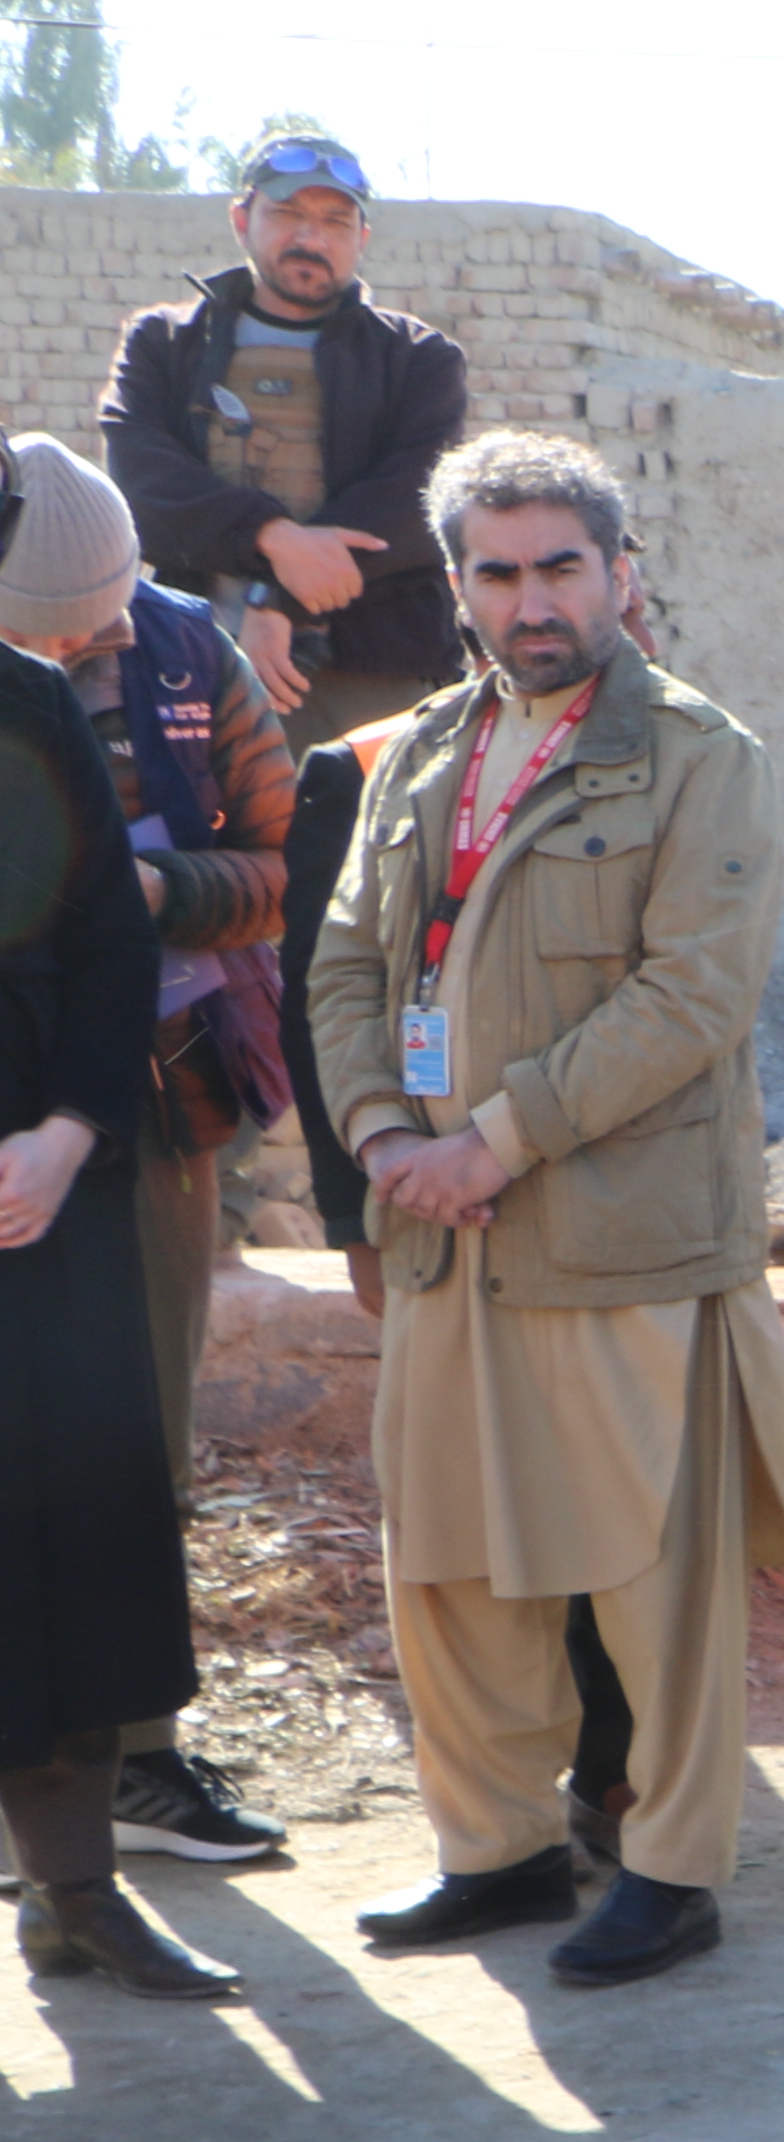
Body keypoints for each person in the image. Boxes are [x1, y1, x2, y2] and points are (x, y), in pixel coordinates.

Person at [308, 432, 784, 1993]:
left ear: (622, 573)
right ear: (459, 586)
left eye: (559, 567)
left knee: (648, 1577)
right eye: (497, 571)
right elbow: (346, 964)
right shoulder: (419, 754)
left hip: (615, 1232)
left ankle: (671, 1870)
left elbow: (694, 996)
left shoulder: (699, 753)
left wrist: (497, 1136)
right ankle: (499, 1849)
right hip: (442, 1228)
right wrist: (384, 1130)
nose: (530, 600)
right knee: (446, 1565)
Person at [0, 433, 299, 1869]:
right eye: (79, 611)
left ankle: (130, 1762)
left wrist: (156, 888)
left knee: (133, 1444)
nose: (115, 629)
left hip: (155, 1115)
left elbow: (286, 867)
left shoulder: (192, 659)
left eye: (125, 596)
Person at [0, 600, 238, 2001]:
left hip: (43, 1199)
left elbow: (106, 944)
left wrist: (74, 1131)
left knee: (65, 1556)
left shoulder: (32, 706)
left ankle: (74, 1897)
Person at [98, 131, 469, 740]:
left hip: (372, 680)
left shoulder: (417, 358)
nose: (310, 237)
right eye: (287, 214)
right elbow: (139, 485)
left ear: (362, 238)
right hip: (190, 669)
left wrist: (277, 603)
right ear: (242, 220)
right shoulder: (165, 344)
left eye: (334, 221)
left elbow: (414, 505)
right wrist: (271, 537)